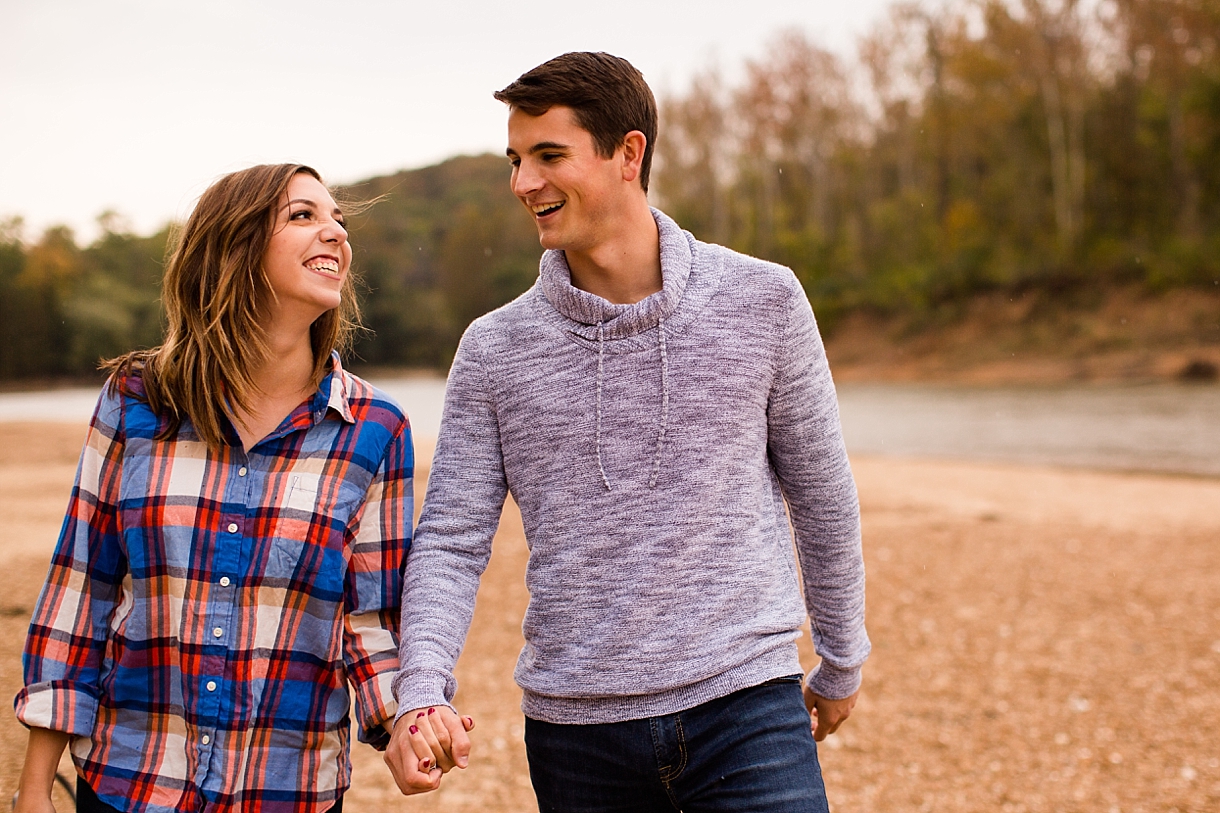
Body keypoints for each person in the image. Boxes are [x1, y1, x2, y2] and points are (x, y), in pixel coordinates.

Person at [386, 52, 870, 811]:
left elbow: (821, 493)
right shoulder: (494, 348)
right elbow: (450, 536)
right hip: (576, 736)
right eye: (516, 160)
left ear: (628, 154)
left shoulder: (764, 300)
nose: (523, 183)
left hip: (746, 706)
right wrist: (420, 689)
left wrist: (841, 659)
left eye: (549, 156)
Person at [13, 164, 446, 813]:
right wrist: (34, 787)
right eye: (304, 216)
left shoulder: (375, 429)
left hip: (288, 791)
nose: (335, 232)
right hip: (130, 781)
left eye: (339, 221)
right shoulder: (137, 400)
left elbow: (368, 622)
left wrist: (406, 723)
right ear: (234, 245)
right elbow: (83, 592)